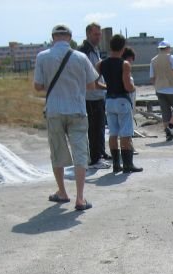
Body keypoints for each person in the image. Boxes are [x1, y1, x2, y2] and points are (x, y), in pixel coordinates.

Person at [34, 24, 100, 211]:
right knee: (80, 153)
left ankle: (62, 192)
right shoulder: (81, 57)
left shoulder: (42, 57)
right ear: (70, 38)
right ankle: (80, 198)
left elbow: (38, 86)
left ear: (53, 37)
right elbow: (92, 86)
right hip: (77, 110)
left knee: (57, 152)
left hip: (54, 110)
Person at [98, 34, 141, 174]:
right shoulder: (125, 64)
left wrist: (105, 87)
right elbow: (127, 86)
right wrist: (133, 88)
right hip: (122, 100)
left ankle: (116, 164)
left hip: (109, 100)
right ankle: (128, 165)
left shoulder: (101, 64)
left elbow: (92, 82)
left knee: (113, 133)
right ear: (123, 48)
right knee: (125, 134)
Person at [79, 22, 109, 169]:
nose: (98, 37)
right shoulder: (85, 52)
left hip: (98, 95)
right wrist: (107, 87)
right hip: (90, 96)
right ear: (88, 34)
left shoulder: (94, 50)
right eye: (96, 34)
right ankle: (94, 158)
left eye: (100, 35)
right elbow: (92, 77)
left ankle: (100, 153)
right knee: (93, 128)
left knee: (100, 127)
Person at [149, 41, 173, 142]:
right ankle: (170, 127)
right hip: (172, 88)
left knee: (165, 112)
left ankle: (168, 135)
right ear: (168, 48)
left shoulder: (153, 60)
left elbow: (152, 78)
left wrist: (157, 86)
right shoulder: (171, 58)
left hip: (160, 89)